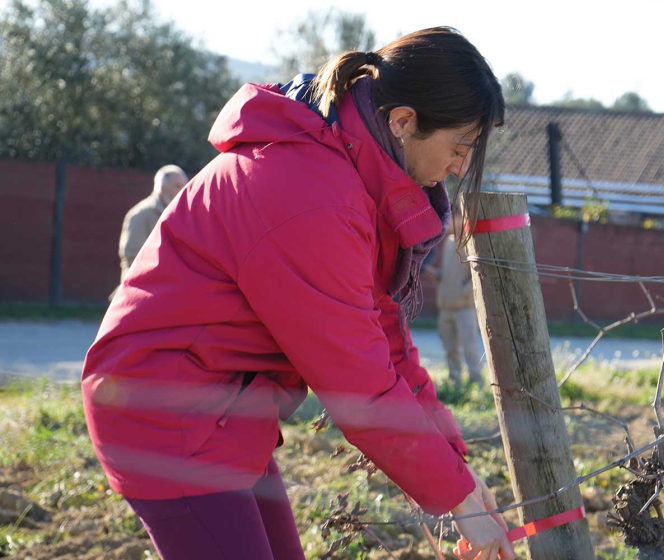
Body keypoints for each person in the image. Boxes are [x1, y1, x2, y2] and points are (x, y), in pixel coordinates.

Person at [82, 28, 514, 560]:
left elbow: (385, 343)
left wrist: (457, 471)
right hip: (164, 414)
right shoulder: (312, 196)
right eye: (460, 147)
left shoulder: (347, 178)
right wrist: (456, 496)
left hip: (222, 407)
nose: (460, 167)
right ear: (403, 122)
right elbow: (358, 383)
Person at [426, 213, 485, 388]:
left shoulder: (470, 242)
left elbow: (477, 274)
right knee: (450, 349)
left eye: (451, 217)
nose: (447, 221)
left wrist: (463, 293)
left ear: (461, 218)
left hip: (464, 308)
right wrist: (435, 274)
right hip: (445, 307)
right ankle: (455, 382)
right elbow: (448, 273)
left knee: (470, 347)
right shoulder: (449, 242)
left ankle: (477, 382)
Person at [110, 165, 187, 300]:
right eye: (177, 186)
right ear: (162, 188)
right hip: (144, 291)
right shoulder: (140, 215)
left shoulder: (183, 214)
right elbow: (131, 257)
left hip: (173, 290)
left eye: (184, 186)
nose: (183, 191)